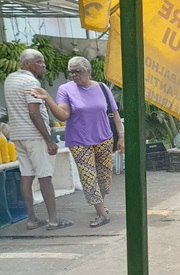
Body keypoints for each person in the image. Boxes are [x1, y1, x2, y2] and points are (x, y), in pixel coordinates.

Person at [29, 56, 124, 228]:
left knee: (104, 179)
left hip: (104, 138)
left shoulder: (102, 88)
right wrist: (48, 99)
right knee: (89, 177)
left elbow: (115, 114)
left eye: (77, 71)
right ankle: (102, 213)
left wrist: (121, 136)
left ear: (88, 71)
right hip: (80, 141)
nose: (73, 75)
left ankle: (100, 203)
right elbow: (63, 115)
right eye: (71, 72)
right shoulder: (65, 89)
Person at [4, 49, 72, 230]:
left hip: (18, 135)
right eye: (39, 62)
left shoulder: (10, 79)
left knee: (26, 176)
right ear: (27, 64)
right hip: (35, 136)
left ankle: (32, 219)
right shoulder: (30, 81)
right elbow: (34, 113)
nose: (44, 65)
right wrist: (49, 139)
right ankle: (53, 220)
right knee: (45, 176)